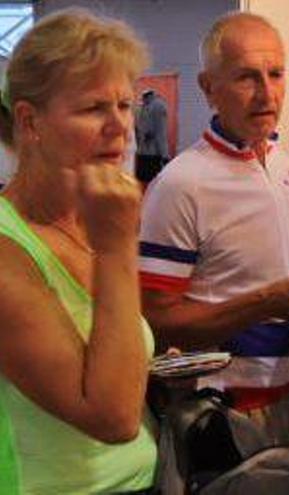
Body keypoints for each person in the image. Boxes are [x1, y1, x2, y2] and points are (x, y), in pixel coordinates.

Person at [138, 12, 289, 446]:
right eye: (246, 77)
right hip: (219, 412)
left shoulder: (280, 161)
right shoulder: (183, 183)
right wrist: (265, 303)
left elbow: (268, 266)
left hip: (281, 396)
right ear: (208, 88)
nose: (266, 93)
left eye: (275, 74)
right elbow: (157, 320)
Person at [0, 9, 156, 493]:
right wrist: (117, 247)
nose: (120, 127)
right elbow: (112, 418)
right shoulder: (10, 250)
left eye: (125, 105)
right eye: (93, 108)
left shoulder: (93, 218)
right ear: (30, 121)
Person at [134, 88, 169, 185]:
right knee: (148, 185)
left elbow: (160, 132)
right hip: (147, 154)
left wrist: (164, 154)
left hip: (148, 153)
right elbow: (161, 132)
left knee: (148, 185)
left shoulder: (156, 106)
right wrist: (165, 155)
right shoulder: (141, 107)